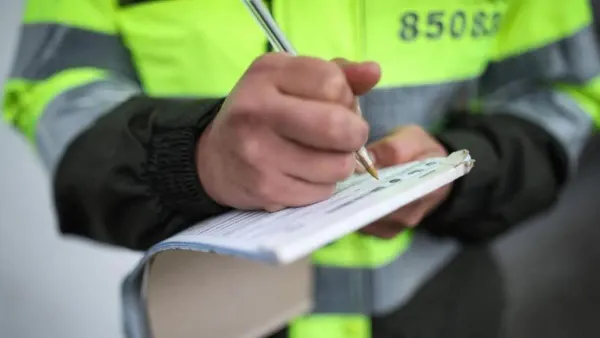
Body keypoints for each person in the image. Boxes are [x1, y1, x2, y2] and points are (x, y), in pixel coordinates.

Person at [4, 0, 600, 337]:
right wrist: (194, 156)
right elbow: (53, 91)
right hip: (208, 323)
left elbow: (565, 95)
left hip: (441, 315)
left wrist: (457, 175)